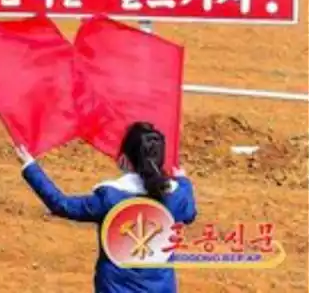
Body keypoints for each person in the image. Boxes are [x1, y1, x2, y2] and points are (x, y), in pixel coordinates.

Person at [17, 122, 196, 293]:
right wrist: (183, 181)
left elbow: (61, 204)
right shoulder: (176, 198)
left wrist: (30, 167)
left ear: (124, 159)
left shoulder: (110, 198)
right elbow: (189, 213)